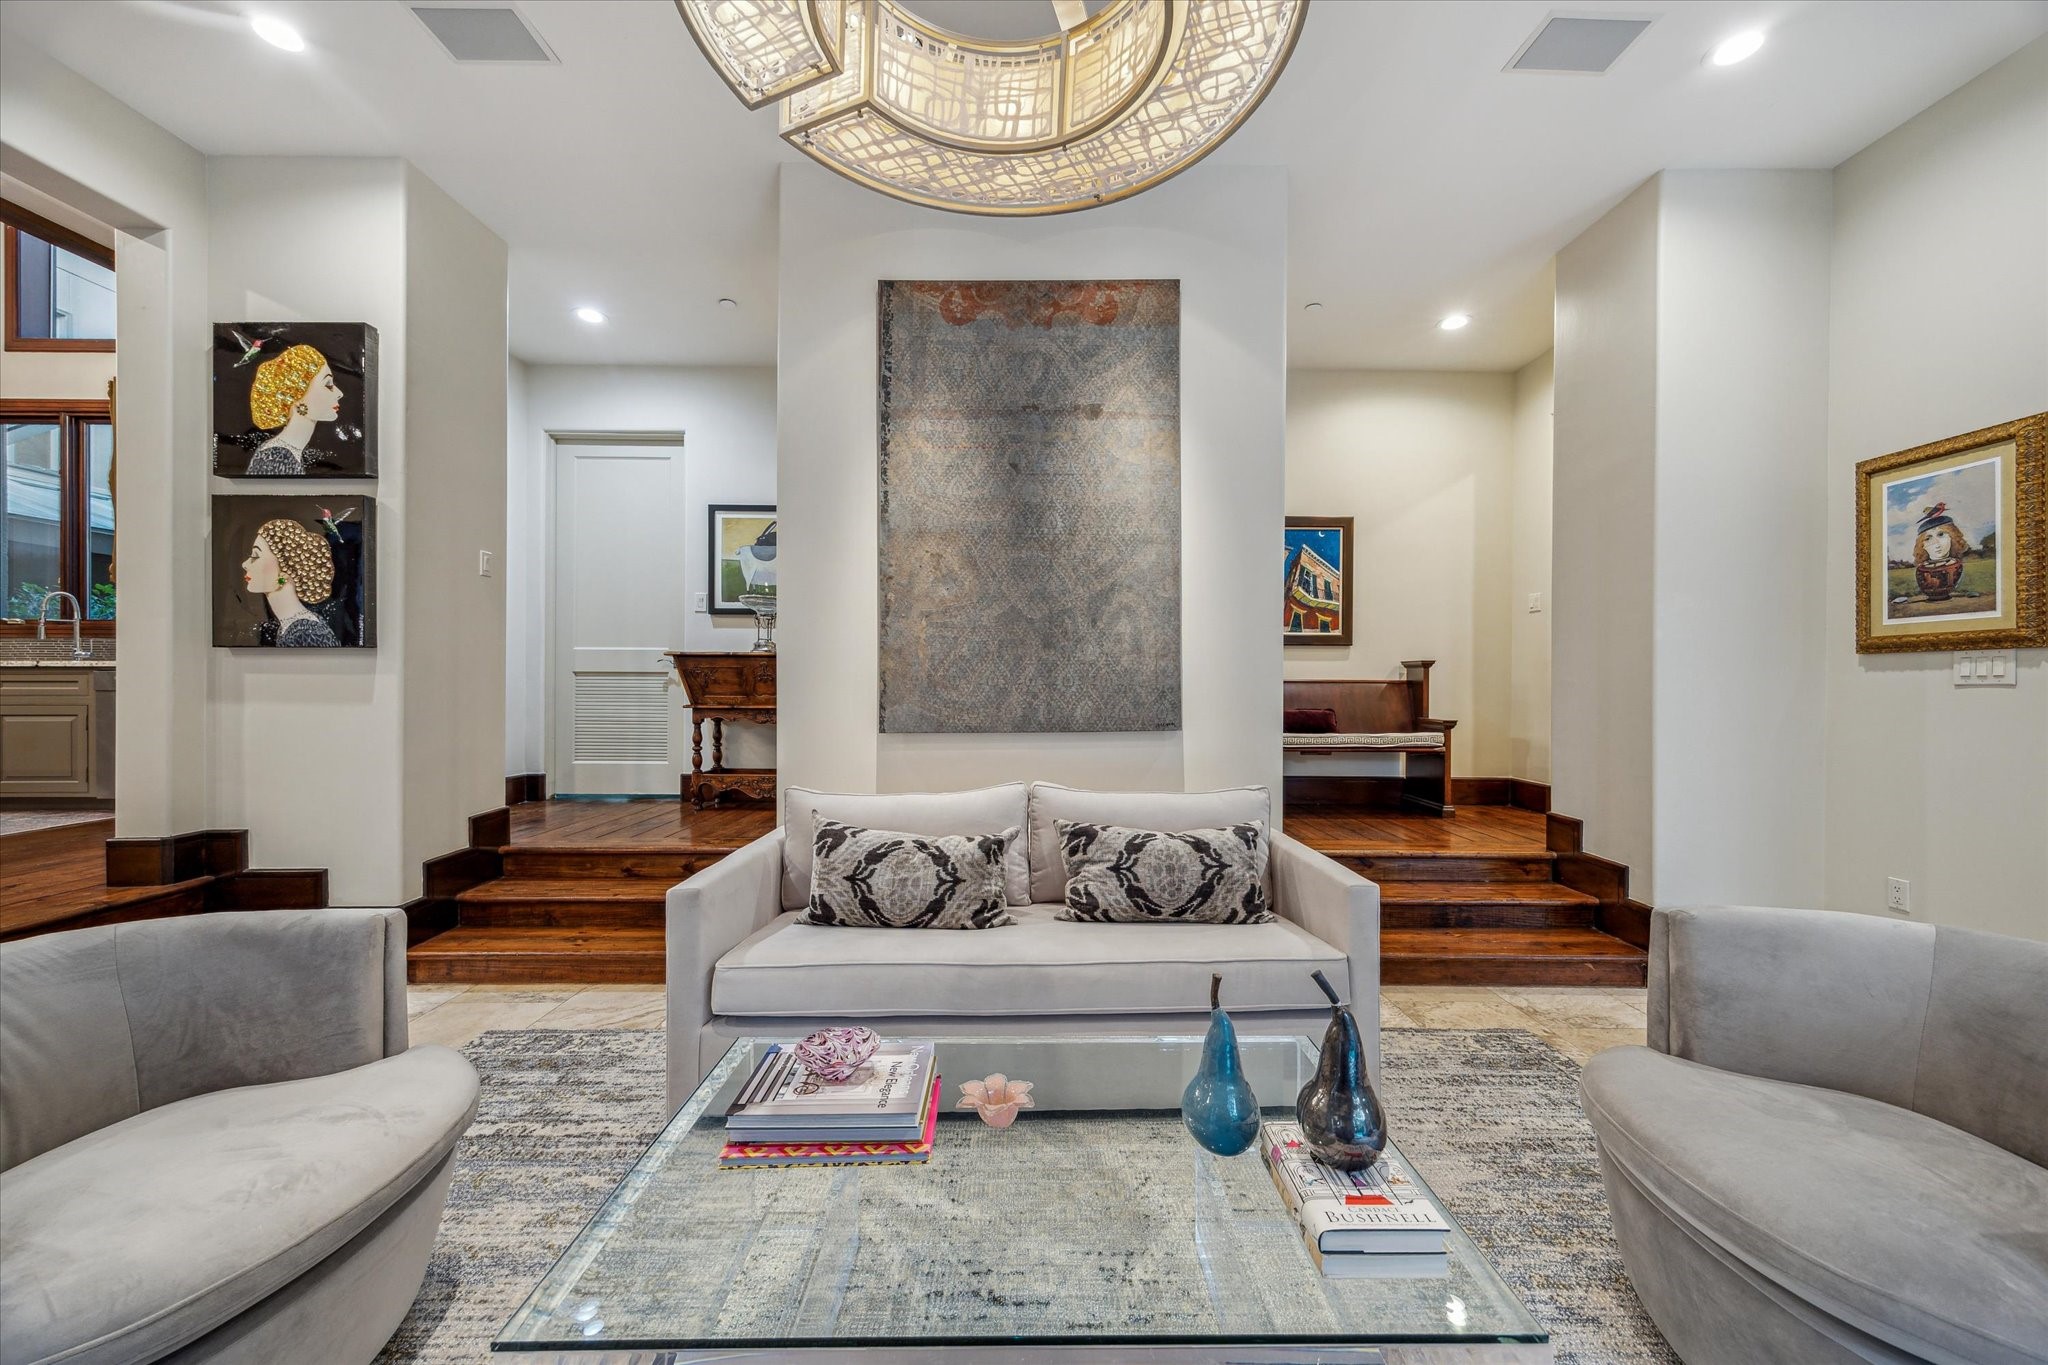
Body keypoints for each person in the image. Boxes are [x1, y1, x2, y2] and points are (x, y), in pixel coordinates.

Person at [242, 518, 341, 646]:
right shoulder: (290, 627)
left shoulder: (305, 633)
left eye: (255, 556)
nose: (244, 564)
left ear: (285, 573)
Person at [246, 344, 342, 476]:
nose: (339, 393)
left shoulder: (287, 452)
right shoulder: (277, 456)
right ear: (296, 395)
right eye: (328, 384)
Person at [1911, 502, 1973, 602]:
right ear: (1922, 546)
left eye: (1941, 535)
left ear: (1952, 538)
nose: (1936, 543)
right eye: (1928, 539)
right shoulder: (1922, 570)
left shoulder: (1956, 566)